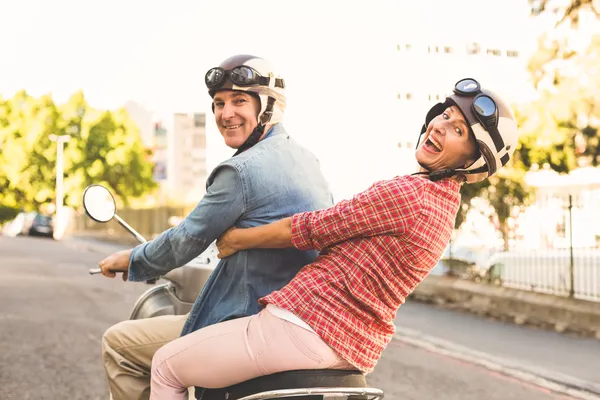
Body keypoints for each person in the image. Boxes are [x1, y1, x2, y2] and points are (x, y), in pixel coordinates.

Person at [148, 78, 520, 400]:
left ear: (471, 163)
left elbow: (312, 228)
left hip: (304, 326)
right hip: (350, 347)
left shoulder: (410, 194)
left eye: (458, 131)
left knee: (166, 365)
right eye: (445, 115)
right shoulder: (441, 207)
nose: (440, 127)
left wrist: (237, 240)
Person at [97, 54, 334, 400]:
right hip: (305, 320)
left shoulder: (240, 171)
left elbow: (186, 239)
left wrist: (132, 260)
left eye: (239, 101)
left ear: (267, 107)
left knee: (119, 344)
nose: (225, 114)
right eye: (219, 103)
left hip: (248, 319)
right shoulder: (308, 161)